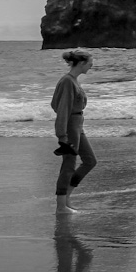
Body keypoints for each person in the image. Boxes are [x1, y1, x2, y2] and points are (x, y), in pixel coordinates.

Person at [51, 50, 96, 213]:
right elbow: (61, 108)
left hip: (77, 125)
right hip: (71, 126)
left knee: (90, 161)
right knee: (68, 166)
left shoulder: (73, 81)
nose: (91, 66)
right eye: (90, 63)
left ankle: (67, 198)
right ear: (82, 63)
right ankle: (61, 206)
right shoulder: (67, 81)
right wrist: (62, 136)